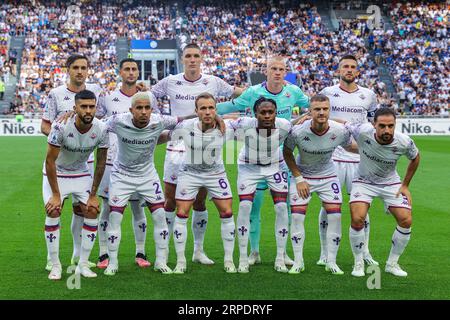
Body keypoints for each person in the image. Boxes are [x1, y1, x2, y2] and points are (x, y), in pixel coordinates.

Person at [151, 43, 243, 265]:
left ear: (201, 58)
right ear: (183, 59)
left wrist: (263, 90)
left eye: (196, 56)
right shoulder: (171, 81)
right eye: (188, 56)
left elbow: (236, 92)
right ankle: (166, 252)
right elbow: (149, 95)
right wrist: (158, 117)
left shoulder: (212, 81)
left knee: (200, 202)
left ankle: (198, 251)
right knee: (171, 201)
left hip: (205, 147)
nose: (192, 59)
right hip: (177, 145)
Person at [217, 55, 310, 266]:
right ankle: (254, 251)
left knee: (284, 207)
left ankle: (283, 252)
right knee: (253, 208)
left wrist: (307, 116)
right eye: (273, 68)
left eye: (281, 69)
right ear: (266, 71)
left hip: (280, 159)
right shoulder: (253, 93)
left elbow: (313, 105)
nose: (277, 72)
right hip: (254, 157)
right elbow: (229, 107)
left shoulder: (293, 92)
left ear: (285, 73)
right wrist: (211, 111)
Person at [103, 92, 197, 276]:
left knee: (160, 216)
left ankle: (161, 261)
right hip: (122, 175)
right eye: (139, 108)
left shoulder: (159, 120)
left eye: (147, 108)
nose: (144, 112)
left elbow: (184, 120)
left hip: (147, 175)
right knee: (115, 218)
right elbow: (94, 126)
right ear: (131, 110)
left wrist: (211, 115)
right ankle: (112, 263)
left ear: (152, 110)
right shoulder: (117, 121)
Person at [95, 58, 159, 269]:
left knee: (138, 208)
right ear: (120, 73)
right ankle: (103, 253)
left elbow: (154, 125)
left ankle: (140, 251)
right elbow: (97, 124)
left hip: (139, 164)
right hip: (112, 162)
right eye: (127, 69)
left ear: (138, 72)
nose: (131, 73)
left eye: (134, 69)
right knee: (107, 207)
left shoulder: (147, 97)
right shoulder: (108, 97)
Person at [41, 54, 103, 271]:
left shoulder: (96, 92)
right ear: (68, 70)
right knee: (56, 208)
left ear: (88, 70)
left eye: (83, 67)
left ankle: (78, 255)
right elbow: (45, 126)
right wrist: (66, 138)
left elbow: (99, 122)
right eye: (75, 67)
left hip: (85, 162)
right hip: (61, 159)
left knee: (83, 210)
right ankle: (53, 259)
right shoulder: (56, 94)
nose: (79, 71)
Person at [283, 95, 357, 275]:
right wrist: (298, 178)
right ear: (310, 111)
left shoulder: (339, 130)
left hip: (328, 175)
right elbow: (287, 152)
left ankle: (331, 261)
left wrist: (372, 148)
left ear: (329, 110)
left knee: (335, 217)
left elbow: (351, 147)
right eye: (317, 109)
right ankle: (298, 262)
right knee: (298, 218)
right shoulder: (298, 132)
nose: (321, 112)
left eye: (325, 109)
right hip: (304, 176)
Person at [317, 54, 378, 267]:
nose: (349, 70)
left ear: (358, 71)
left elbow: (373, 125)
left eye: (353, 67)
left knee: (362, 208)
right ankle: (324, 252)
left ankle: (365, 251)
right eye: (345, 67)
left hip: (359, 159)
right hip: (332, 157)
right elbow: (317, 115)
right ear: (339, 70)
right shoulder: (328, 93)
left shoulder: (368, 95)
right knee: (328, 207)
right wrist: (338, 121)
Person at [347, 108, 420, 277]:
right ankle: (358, 262)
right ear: (374, 125)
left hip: (390, 182)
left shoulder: (404, 141)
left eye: (390, 126)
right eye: (382, 126)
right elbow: (343, 124)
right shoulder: (362, 131)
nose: (386, 130)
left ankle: (392, 264)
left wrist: (405, 185)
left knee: (406, 219)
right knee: (358, 219)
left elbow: (415, 157)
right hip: (363, 181)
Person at [169, 93, 236, 274]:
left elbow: (250, 121)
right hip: (189, 173)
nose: (207, 112)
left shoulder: (227, 128)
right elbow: (163, 129)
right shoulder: (185, 126)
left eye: (211, 108)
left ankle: (227, 260)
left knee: (227, 212)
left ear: (216, 109)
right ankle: (181, 261)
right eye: (203, 108)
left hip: (215, 173)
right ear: (196, 111)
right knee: (182, 212)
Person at [232, 97, 292, 273]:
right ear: (255, 114)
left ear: (275, 113)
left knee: (281, 208)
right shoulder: (244, 123)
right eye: (263, 112)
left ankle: (280, 257)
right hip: (248, 167)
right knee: (245, 207)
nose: (267, 116)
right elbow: (227, 124)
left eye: (270, 112)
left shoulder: (285, 125)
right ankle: (244, 257)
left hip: (275, 166)